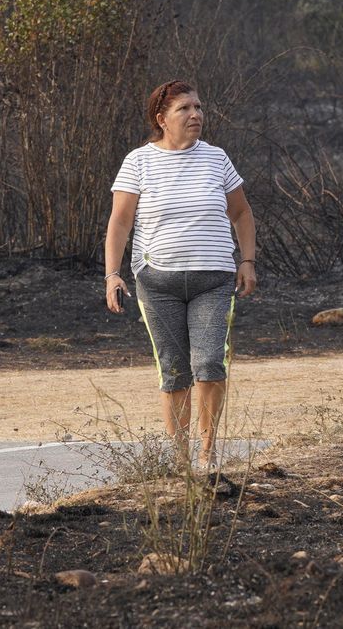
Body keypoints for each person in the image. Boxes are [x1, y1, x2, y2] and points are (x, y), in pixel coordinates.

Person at [103, 79, 256, 471]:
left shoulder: (216, 158)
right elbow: (120, 222)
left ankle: (207, 453)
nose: (195, 115)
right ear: (162, 118)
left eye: (199, 108)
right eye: (184, 109)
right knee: (173, 368)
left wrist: (247, 261)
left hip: (214, 279)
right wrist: (112, 274)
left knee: (209, 363)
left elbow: (240, 213)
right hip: (157, 282)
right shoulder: (138, 162)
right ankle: (180, 460)